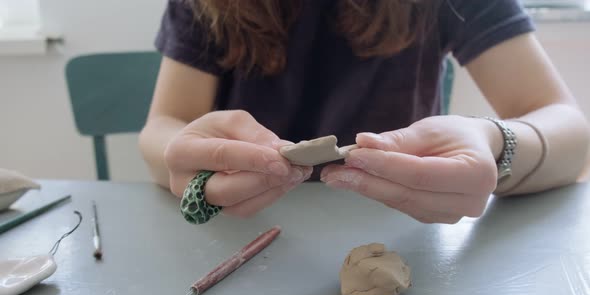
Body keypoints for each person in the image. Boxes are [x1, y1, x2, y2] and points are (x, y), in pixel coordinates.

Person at [139, 0, 590, 224]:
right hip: (245, 235)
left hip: (406, 233)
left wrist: (495, 144)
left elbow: (569, 131)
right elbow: (164, 127)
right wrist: (190, 160)